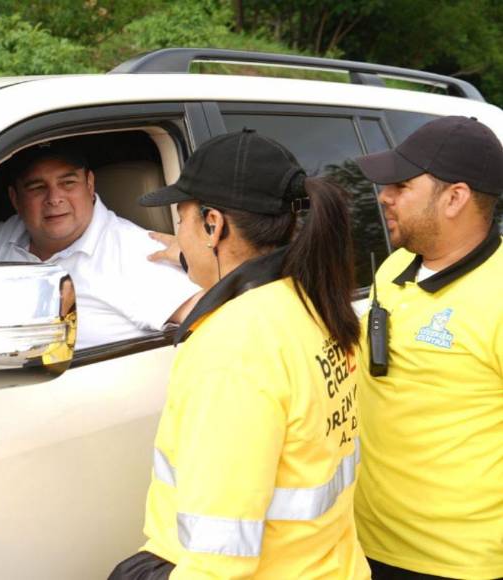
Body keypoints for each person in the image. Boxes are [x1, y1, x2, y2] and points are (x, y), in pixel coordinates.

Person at [110, 129, 370, 579]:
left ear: (213, 225)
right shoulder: (310, 304)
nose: (179, 236)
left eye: (181, 220)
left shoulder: (234, 347)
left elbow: (220, 554)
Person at [353, 116, 503, 580]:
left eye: (401, 185)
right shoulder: (394, 267)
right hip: (365, 543)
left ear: (455, 197)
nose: (383, 196)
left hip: (457, 562)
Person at [0, 142, 200, 350]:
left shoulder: (135, 251)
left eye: (68, 183)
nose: (54, 198)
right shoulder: (2, 237)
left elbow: (213, 321)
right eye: (37, 187)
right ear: (15, 198)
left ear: (90, 184)